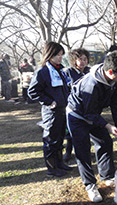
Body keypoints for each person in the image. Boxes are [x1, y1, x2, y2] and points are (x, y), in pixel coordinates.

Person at [66, 51, 117, 203]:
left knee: (105, 142)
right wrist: (108, 126)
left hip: (93, 114)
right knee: (82, 150)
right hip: (77, 116)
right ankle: (90, 185)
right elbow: (89, 114)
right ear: (110, 72)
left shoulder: (115, 81)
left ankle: (107, 176)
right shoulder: (91, 84)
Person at [28, 42, 72, 177]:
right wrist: (49, 102)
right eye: (57, 55)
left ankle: (60, 164)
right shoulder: (43, 72)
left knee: (59, 139)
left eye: (61, 55)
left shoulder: (60, 70)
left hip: (62, 110)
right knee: (50, 140)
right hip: (51, 112)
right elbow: (33, 91)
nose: (60, 58)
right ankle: (52, 168)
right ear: (49, 55)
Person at [63, 48, 91, 162]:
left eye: (85, 59)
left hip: (87, 106)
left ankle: (86, 151)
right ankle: (68, 151)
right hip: (72, 106)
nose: (83, 62)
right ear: (74, 60)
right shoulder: (68, 72)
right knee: (70, 132)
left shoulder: (90, 71)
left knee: (86, 130)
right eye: (80, 59)